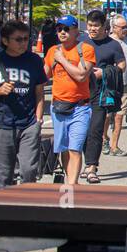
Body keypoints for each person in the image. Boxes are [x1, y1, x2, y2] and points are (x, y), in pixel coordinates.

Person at [0, 19, 46, 189]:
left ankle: (27, 210)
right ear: (5, 41)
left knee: (29, 171)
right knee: (3, 176)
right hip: (1, 124)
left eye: (26, 39)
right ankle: (4, 213)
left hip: (28, 124)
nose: (23, 43)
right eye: (18, 39)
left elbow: (39, 92)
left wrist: (38, 119)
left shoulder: (34, 60)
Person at [43, 15, 94, 186]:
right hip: (58, 107)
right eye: (59, 29)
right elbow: (43, 76)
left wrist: (62, 60)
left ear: (76, 31)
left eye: (66, 29)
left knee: (75, 147)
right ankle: (70, 179)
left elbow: (81, 75)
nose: (62, 32)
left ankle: (72, 184)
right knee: (63, 148)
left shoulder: (85, 49)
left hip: (80, 107)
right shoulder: (52, 51)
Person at [82, 10, 126, 183]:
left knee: (96, 130)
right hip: (79, 92)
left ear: (104, 27)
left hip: (100, 93)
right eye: (90, 25)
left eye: (96, 26)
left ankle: (91, 167)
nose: (92, 29)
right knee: (82, 131)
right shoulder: (81, 42)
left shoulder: (113, 45)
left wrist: (105, 72)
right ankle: (86, 163)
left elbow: (121, 65)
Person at [109, 15, 127, 149]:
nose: (125, 30)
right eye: (122, 27)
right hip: (109, 86)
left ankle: (114, 145)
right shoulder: (108, 41)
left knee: (119, 116)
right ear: (114, 28)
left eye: (126, 27)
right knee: (107, 116)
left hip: (125, 85)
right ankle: (104, 139)